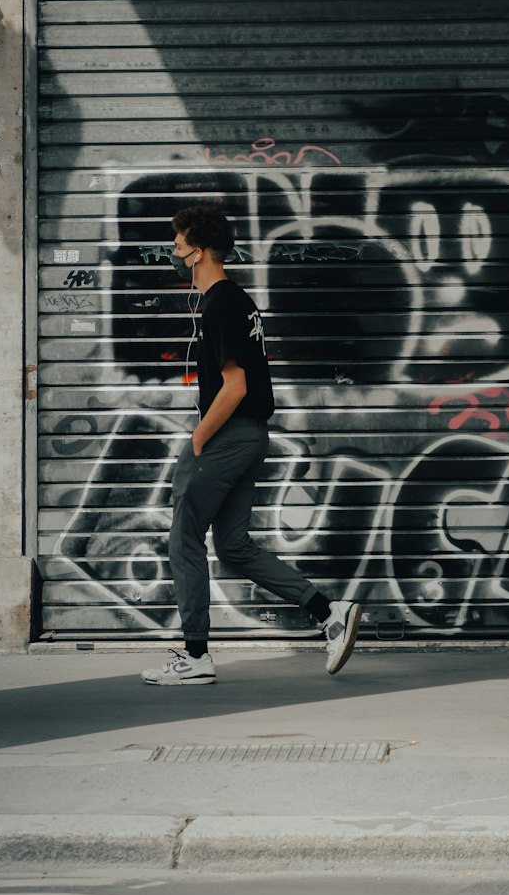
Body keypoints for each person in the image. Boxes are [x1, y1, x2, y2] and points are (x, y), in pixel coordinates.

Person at [141, 202, 361, 686]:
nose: (173, 252)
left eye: (178, 245)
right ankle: (330, 613)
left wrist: (198, 437)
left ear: (196, 252)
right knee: (234, 546)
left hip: (226, 435)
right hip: (250, 436)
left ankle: (195, 656)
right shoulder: (238, 300)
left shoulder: (220, 303)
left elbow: (234, 386)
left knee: (183, 541)